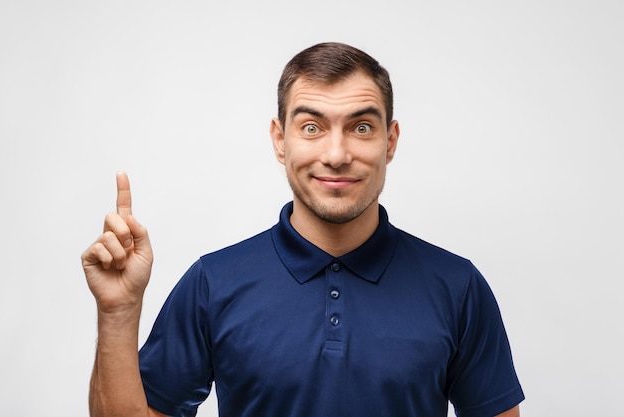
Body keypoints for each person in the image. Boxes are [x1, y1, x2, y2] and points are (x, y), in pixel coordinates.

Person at [82, 42, 524, 417]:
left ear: (390, 141)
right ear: (280, 139)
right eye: (311, 127)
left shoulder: (457, 285)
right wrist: (118, 314)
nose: (336, 154)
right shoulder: (213, 282)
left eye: (362, 127)